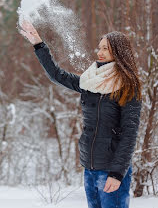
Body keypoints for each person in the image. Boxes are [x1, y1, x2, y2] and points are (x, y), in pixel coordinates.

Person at [20, 21, 142, 208]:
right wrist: (38, 43)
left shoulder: (127, 86)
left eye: (106, 49)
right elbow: (57, 75)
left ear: (118, 52)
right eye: (100, 47)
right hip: (90, 167)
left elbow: (129, 134)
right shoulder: (90, 83)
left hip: (112, 169)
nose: (100, 52)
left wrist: (117, 173)